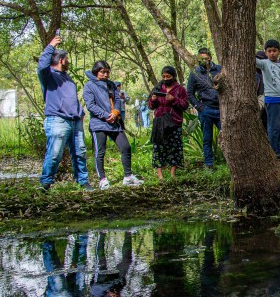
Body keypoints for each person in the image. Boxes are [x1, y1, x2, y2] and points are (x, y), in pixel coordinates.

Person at [37, 35, 92, 191]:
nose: (68, 61)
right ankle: (45, 184)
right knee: (54, 153)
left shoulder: (67, 78)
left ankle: (83, 182)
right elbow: (41, 66)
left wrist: (80, 111)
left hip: (75, 121)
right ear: (61, 60)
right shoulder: (48, 75)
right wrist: (51, 46)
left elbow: (71, 97)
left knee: (80, 152)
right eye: (67, 59)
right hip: (57, 120)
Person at [83, 61, 143, 189]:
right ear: (96, 72)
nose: (105, 74)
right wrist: (106, 115)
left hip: (114, 122)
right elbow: (90, 105)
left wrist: (115, 112)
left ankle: (128, 176)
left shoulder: (111, 84)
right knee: (100, 151)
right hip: (98, 123)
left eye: (107, 72)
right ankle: (102, 179)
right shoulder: (89, 85)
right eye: (102, 72)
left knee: (125, 146)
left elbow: (117, 100)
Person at [148, 66, 189, 179]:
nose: (165, 79)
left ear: (173, 76)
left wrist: (174, 100)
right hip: (159, 122)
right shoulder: (158, 88)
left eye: (168, 76)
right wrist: (153, 100)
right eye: (163, 76)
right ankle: (159, 174)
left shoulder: (180, 89)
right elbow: (150, 106)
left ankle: (172, 173)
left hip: (174, 122)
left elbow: (185, 105)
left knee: (174, 147)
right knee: (158, 147)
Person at [256, 39, 280, 159]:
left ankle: (279, 149)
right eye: (269, 51)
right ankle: (273, 150)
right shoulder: (264, 63)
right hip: (272, 99)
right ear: (265, 52)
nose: (272, 53)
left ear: (279, 51)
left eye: (274, 51)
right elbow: (253, 61)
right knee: (274, 126)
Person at [186, 47, 222, 169]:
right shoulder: (195, 73)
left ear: (210, 58)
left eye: (206, 58)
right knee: (207, 138)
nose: (204, 61)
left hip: (221, 109)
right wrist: (199, 106)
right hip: (206, 109)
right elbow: (189, 93)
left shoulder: (219, 69)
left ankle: (230, 162)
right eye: (201, 59)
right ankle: (209, 164)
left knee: (227, 135)